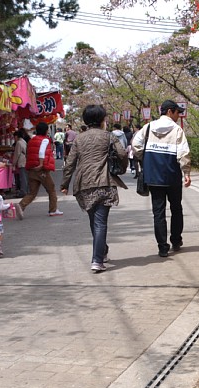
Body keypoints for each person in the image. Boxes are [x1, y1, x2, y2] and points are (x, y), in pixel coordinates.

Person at [60, 105, 128, 273]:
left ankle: (101, 251)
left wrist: (64, 184)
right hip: (104, 182)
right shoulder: (109, 136)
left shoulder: (79, 139)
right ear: (102, 120)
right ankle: (97, 259)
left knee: (95, 221)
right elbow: (123, 154)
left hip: (84, 185)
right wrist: (122, 169)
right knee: (100, 222)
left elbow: (70, 164)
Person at [132, 100, 191, 258]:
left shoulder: (148, 127)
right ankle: (176, 240)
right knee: (176, 208)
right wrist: (186, 173)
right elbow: (184, 153)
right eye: (178, 112)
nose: (179, 115)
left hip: (153, 177)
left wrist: (145, 159)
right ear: (170, 111)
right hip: (172, 176)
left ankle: (162, 247)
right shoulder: (177, 130)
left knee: (158, 212)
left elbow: (135, 145)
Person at [17, 122, 63, 217]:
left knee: (32, 193)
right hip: (41, 169)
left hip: (31, 169)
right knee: (51, 189)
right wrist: (41, 164)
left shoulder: (31, 141)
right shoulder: (45, 140)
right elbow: (42, 152)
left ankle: (21, 205)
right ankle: (53, 210)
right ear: (46, 131)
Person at [12, 128, 30, 197]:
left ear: (16, 136)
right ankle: (26, 191)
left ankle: (23, 192)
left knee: (23, 178)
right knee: (25, 178)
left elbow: (17, 154)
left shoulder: (19, 143)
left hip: (22, 162)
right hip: (25, 161)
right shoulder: (23, 141)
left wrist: (14, 163)